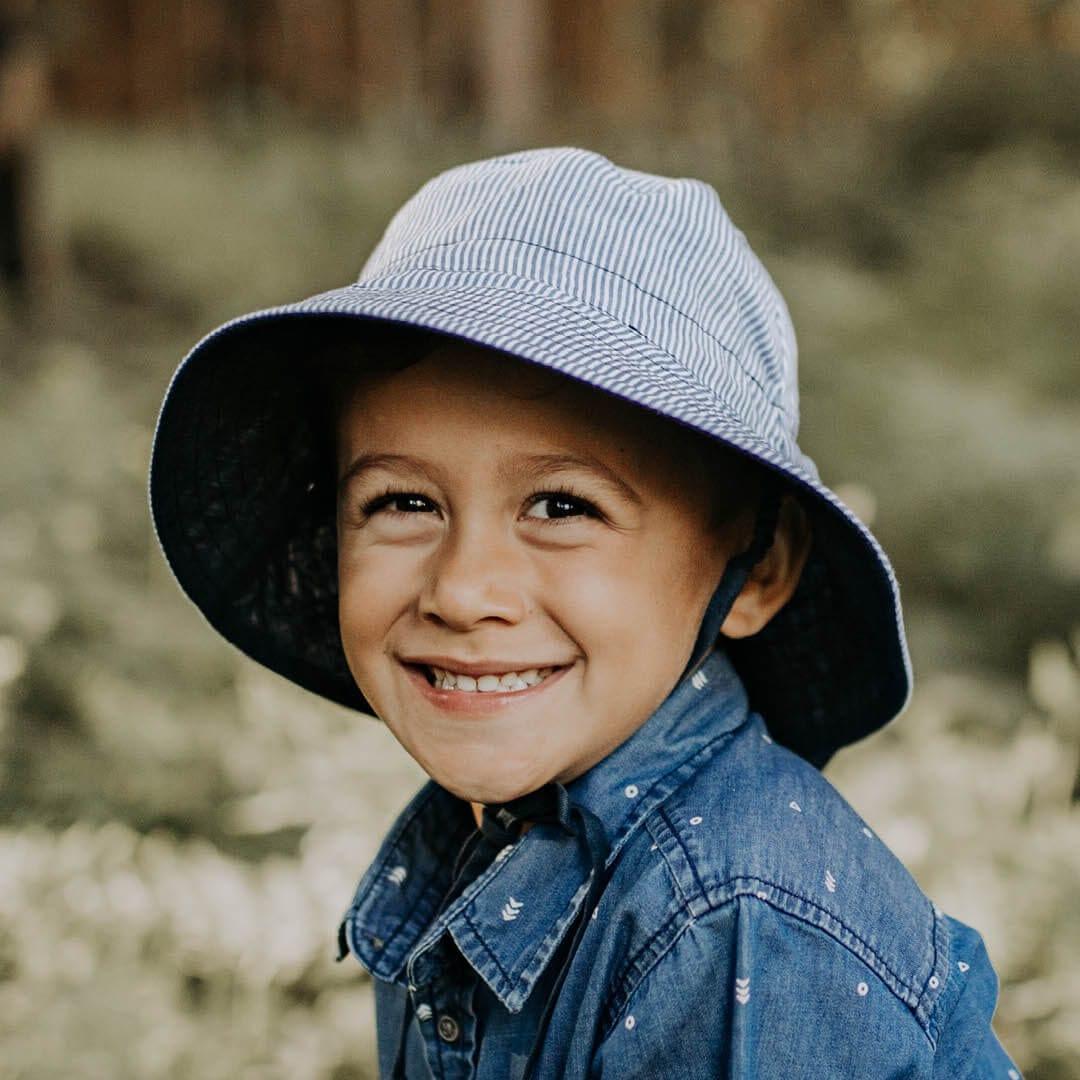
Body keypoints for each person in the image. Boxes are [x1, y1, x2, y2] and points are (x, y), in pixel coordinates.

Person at [148, 148, 1022, 1078]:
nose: (462, 591)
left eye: (562, 506)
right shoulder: (478, 839)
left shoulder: (736, 923)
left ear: (757, 566)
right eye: (404, 502)